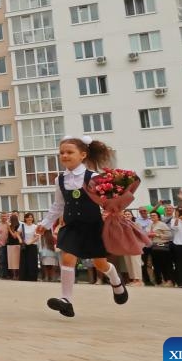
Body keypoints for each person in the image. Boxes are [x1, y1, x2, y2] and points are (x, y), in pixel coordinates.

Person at [37, 135, 128, 318]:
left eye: (70, 152)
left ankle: (116, 281)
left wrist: (113, 210)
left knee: (100, 263)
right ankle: (66, 301)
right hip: (71, 226)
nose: (65, 155)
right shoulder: (60, 180)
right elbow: (59, 205)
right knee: (67, 259)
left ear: (83, 155)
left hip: (93, 227)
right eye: (62, 152)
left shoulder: (94, 177)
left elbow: (109, 201)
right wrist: (45, 223)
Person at [147, 211, 174, 287]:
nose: (152, 216)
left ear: (158, 216)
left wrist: (157, 234)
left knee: (166, 264)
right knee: (157, 265)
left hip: (162, 246)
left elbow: (169, 235)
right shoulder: (150, 225)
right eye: (151, 215)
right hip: (153, 247)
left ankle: (169, 280)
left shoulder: (162, 224)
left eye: (154, 215)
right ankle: (160, 281)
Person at [19, 212, 40, 282]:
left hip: (32, 246)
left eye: (31, 217)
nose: (30, 218)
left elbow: (37, 237)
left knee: (32, 262)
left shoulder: (35, 226)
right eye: (28, 217)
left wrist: (30, 242)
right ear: (25, 218)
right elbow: (17, 233)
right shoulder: (22, 225)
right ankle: (23, 277)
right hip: (24, 246)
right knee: (24, 262)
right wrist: (20, 239)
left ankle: (32, 277)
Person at [4, 213, 22, 280]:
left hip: (16, 244)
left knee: (16, 261)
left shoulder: (18, 226)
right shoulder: (10, 225)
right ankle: (14, 275)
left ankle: (16, 275)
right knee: (12, 261)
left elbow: (14, 236)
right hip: (11, 245)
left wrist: (9, 229)